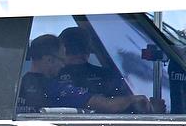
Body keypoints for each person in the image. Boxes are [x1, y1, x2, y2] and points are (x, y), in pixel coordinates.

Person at [18, 34, 153, 113]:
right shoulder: (55, 89)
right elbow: (106, 105)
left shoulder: (20, 85)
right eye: (61, 59)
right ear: (49, 60)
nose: (63, 65)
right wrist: (133, 99)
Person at [58, 27, 126, 97]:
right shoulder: (49, 77)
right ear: (60, 52)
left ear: (89, 50)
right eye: (71, 49)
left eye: (83, 48)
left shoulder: (108, 76)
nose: (78, 54)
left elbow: (120, 100)